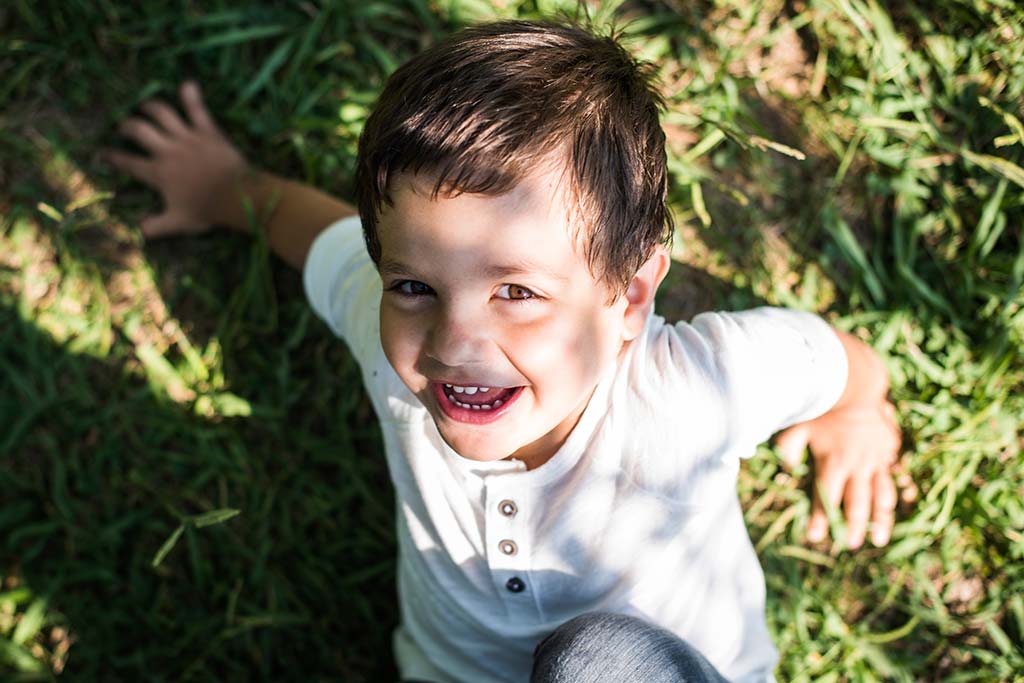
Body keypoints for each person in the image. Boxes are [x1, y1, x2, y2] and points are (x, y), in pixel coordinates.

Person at [105, 19, 903, 683]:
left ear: (628, 297)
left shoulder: (689, 393)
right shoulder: (387, 339)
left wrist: (859, 412)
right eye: (414, 286)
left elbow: (830, 357)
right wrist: (225, 186)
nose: (454, 342)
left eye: (517, 292)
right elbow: (327, 239)